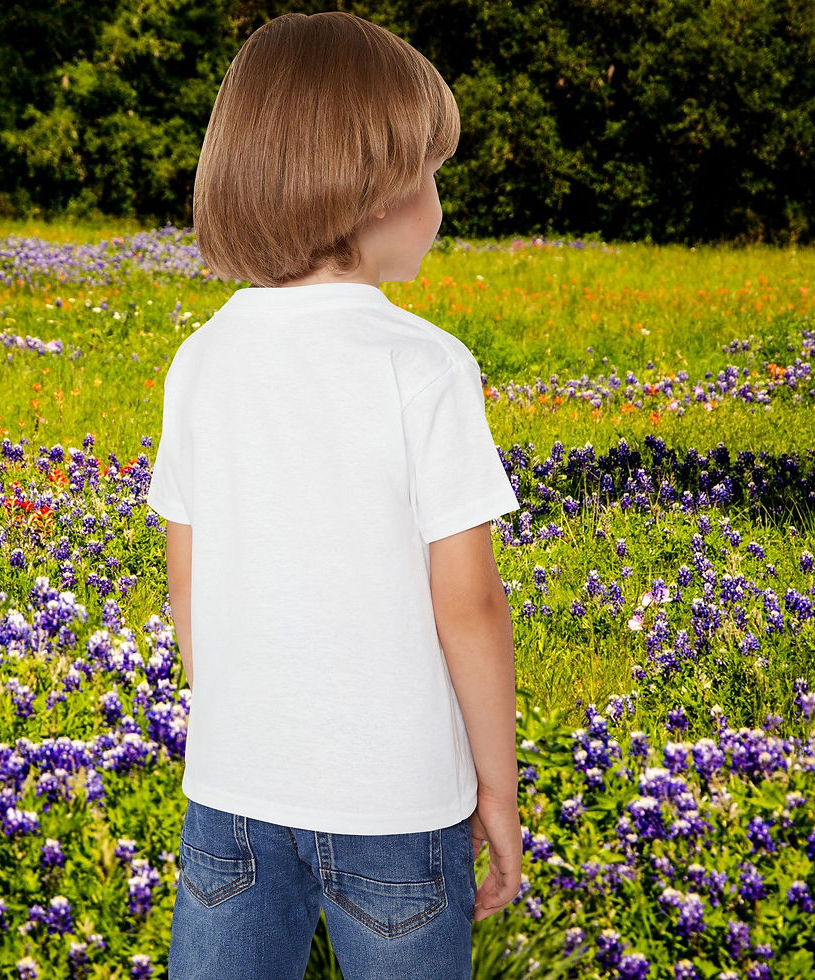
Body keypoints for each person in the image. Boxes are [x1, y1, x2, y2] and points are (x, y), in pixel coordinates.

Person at [147, 11, 523, 979]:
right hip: (396, 800)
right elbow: (469, 605)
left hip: (232, 787)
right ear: (378, 194)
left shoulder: (201, 358)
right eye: (431, 175)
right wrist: (498, 788)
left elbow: (187, 583)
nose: (438, 202)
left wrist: (243, 722)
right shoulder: (425, 364)